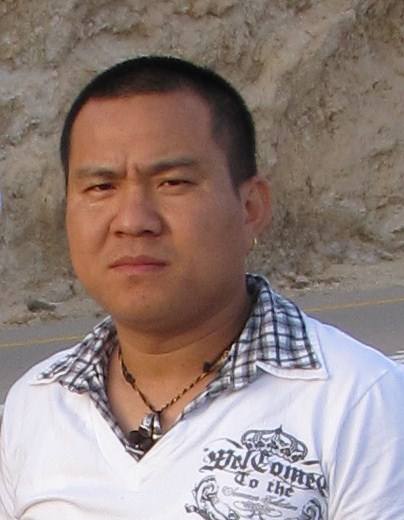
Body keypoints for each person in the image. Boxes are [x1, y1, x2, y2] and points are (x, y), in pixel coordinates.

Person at [1, 56, 404, 520]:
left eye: (172, 182)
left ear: (251, 208)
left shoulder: (359, 401)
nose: (133, 220)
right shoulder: (37, 403)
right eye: (101, 187)